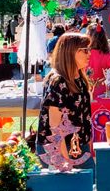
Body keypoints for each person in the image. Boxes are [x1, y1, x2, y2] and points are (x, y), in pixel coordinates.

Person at [36, 33, 94, 169]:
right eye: (85, 50)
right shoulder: (58, 81)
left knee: (90, 185)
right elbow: (55, 126)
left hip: (77, 147)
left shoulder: (80, 79)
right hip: (58, 148)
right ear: (70, 52)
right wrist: (64, 160)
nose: (89, 54)